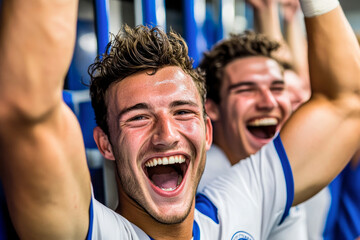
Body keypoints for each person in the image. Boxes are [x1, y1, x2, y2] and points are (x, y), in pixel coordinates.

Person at [1, 0, 360, 239]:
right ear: (105, 144)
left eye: (183, 111)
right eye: (138, 117)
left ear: (207, 130)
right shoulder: (90, 231)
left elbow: (345, 104)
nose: (166, 134)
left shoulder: (237, 207)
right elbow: (25, 108)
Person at [197, 31, 307, 240]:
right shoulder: (196, 187)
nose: (269, 102)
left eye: (277, 88)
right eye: (246, 90)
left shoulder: (280, 174)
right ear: (211, 108)